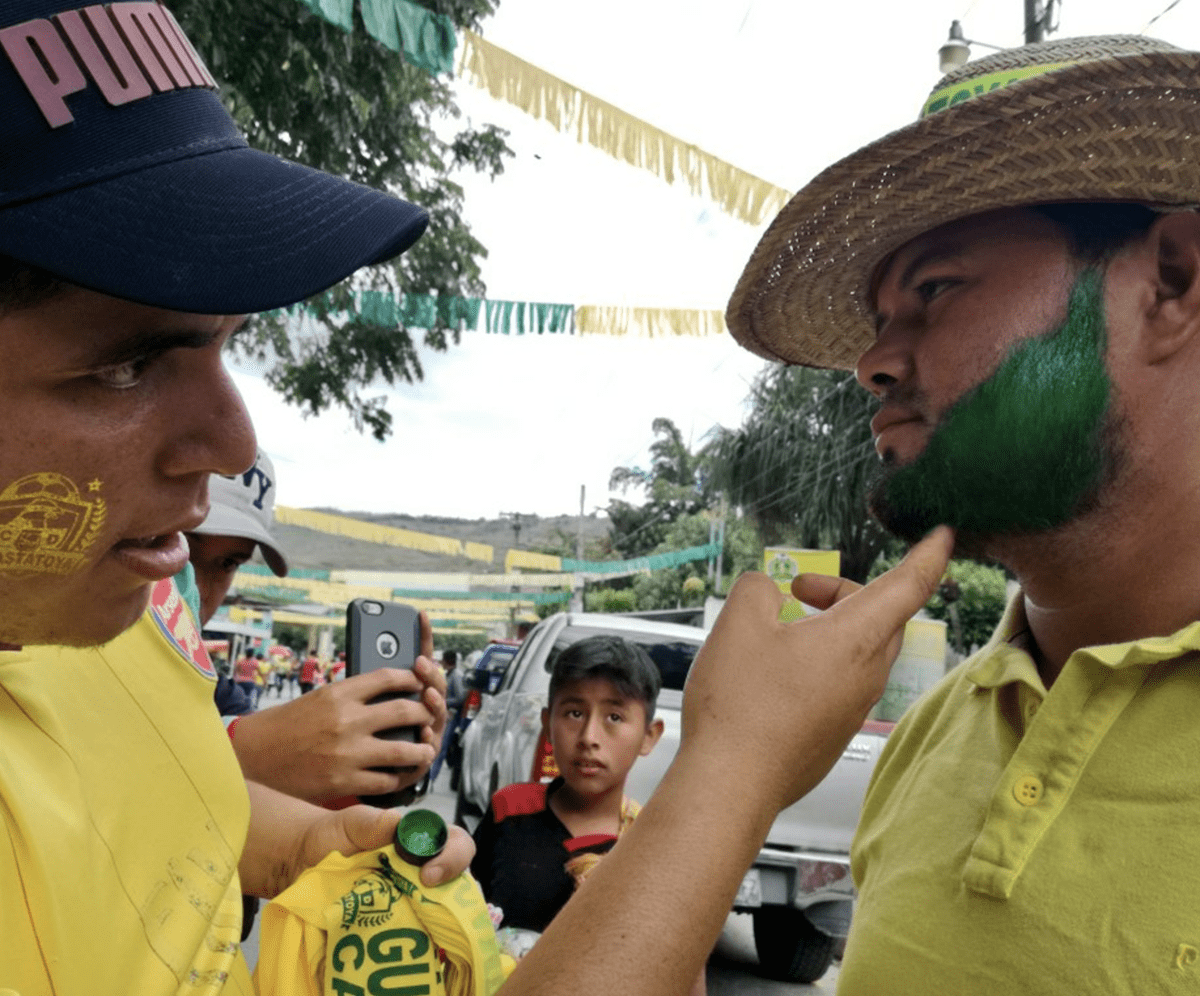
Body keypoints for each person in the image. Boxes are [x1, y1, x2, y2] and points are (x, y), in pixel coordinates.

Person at [0, 2, 472, 990]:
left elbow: (146, 789)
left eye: (226, 341)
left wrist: (310, 845)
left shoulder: (106, 605)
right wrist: (729, 780)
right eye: (128, 365)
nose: (234, 444)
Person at [720, 34, 1200, 996]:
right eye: (878, 316)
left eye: (936, 288)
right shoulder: (935, 732)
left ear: (1175, 281)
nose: (874, 363)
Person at [470, 635, 705, 993]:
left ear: (649, 736)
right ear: (549, 722)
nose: (589, 736)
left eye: (614, 716)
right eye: (574, 713)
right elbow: (465, 916)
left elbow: (683, 976)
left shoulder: (652, 849)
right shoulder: (510, 810)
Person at [429, 648, 463, 783]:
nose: (441, 662)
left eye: (442, 659)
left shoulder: (456, 676)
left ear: (447, 661)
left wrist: (444, 702)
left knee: (442, 746)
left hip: (453, 716)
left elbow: (460, 697)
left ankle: (431, 776)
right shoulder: (450, 674)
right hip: (447, 715)